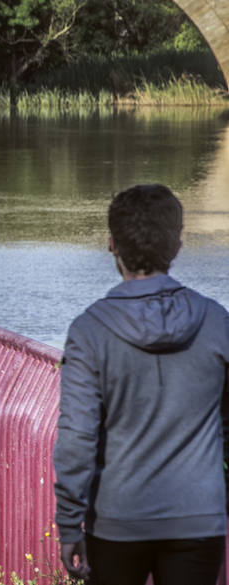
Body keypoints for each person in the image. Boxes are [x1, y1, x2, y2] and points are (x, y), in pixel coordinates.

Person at [54, 184, 229, 585]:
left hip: (117, 520)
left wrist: (68, 525)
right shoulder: (217, 322)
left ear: (112, 245)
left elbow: (77, 439)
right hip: (199, 518)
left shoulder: (90, 331)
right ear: (178, 244)